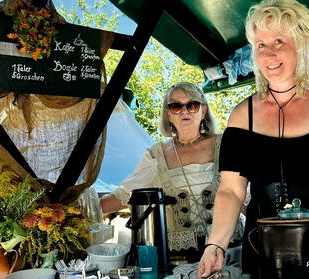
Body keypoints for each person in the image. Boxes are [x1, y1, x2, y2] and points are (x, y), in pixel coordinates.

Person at [198, 0, 309, 279]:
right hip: (262, 253)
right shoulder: (241, 116)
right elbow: (231, 192)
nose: (269, 53)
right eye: (260, 45)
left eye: (278, 41)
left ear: (301, 44)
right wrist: (216, 245)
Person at [100, 82, 243, 263]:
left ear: (203, 110)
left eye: (192, 105)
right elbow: (126, 195)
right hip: (180, 258)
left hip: (229, 252)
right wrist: (81, 211)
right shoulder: (156, 154)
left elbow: (245, 194)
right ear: (168, 113)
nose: (185, 111)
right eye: (176, 106)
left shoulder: (226, 144)